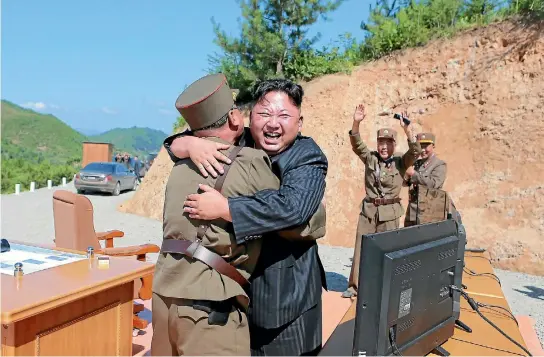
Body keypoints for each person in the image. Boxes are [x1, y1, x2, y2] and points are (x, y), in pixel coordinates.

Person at [152, 74, 326, 356]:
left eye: (283, 115)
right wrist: (189, 144)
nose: (272, 123)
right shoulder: (239, 139)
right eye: (264, 113)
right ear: (247, 117)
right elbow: (184, 138)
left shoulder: (306, 155)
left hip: (283, 295)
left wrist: (227, 209)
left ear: (299, 122)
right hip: (234, 290)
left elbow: (294, 209)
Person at [342, 104, 421, 299]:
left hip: (390, 213)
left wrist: (407, 129)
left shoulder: (401, 162)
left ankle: (387, 288)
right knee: (361, 249)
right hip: (369, 211)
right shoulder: (370, 159)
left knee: (388, 252)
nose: (383, 146)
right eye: (380, 142)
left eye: (387, 142)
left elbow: (415, 151)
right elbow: (356, 143)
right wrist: (356, 122)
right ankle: (355, 287)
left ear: (394, 145)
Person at [404, 132, 447, 227]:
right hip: (412, 212)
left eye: (426, 146)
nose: (423, 150)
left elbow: (434, 184)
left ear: (433, 145)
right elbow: (406, 183)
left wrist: (413, 174)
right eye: (420, 146)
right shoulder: (416, 163)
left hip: (429, 212)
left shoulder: (439, 164)